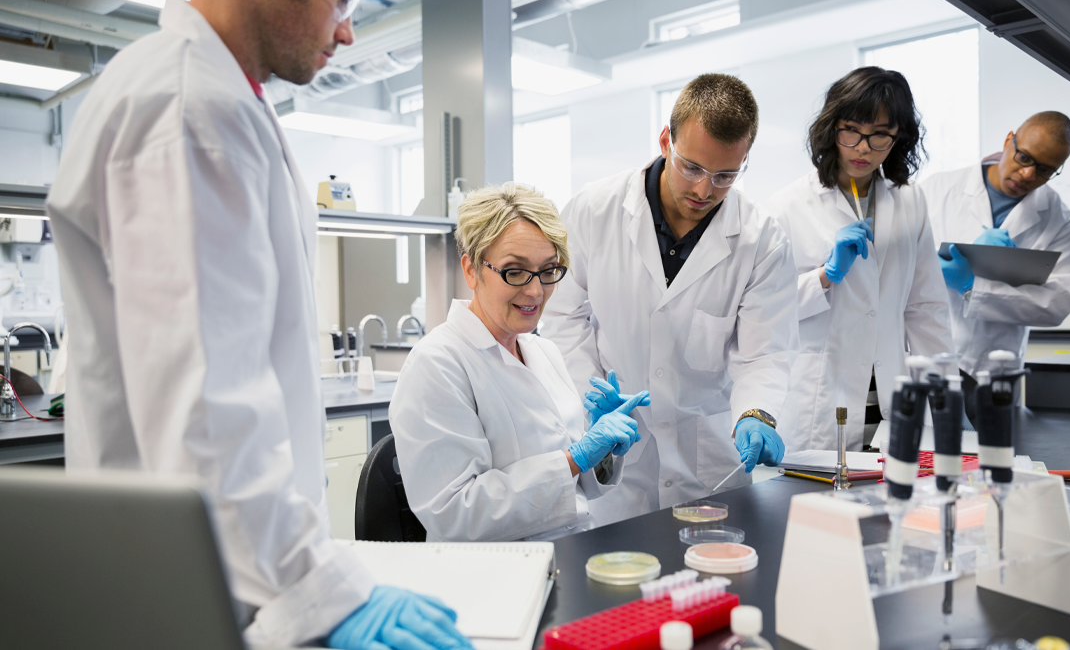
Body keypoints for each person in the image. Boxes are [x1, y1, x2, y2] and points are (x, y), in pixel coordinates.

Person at [45, 0, 472, 649]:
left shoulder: (215, 98)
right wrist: (322, 589)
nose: (348, 33)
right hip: (185, 592)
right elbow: (206, 415)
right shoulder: (185, 109)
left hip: (214, 579)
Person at [542, 74, 799, 527]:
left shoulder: (762, 239)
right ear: (666, 141)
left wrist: (755, 412)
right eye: (692, 167)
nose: (704, 190)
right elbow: (563, 317)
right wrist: (591, 395)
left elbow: (765, 351)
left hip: (711, 467)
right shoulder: (592, 210)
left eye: (725, 175)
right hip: (619, 464)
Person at [389, 184, 645, 541]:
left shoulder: (543, 351)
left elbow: (577, 489)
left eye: (548, 270)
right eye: (515, 271)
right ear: (472, 270)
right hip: (496, 575)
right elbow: (455, 514)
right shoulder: (436, 365)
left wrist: (600, 453)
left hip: (571, 550)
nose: (536, 291)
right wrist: (574, 458)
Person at [768, 66, 954, 452]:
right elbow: (764, 311)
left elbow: (926, 309)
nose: (863, 147)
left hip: (889, 394)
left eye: (879, 135)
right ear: (831, 127)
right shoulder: (786, 206)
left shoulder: (909, 200)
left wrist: (947, 399)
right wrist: (824, 275)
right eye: (851, 130)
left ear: (898, 137)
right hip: (820, 399)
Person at [921, 112, 1070, 420]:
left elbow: (1058, 303)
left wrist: (973, 287)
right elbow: (897, 262)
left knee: (995, 460)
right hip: (928, 356)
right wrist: (935, 265)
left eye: (1045, 170)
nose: (1027, 174)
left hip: (994, 369)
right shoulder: (937, 190)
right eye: (1024, 157)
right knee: (926, 459)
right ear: (1009, 141)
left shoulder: (1063, 223)